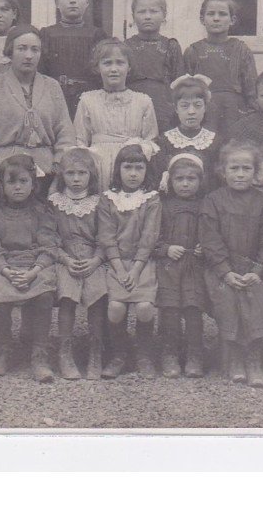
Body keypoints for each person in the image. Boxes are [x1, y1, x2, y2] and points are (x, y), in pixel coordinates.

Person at [200, 140, 263, 387]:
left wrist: (258, 270)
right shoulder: (213, 200)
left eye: (246, 169)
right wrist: (225, 271)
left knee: (258, 295)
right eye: (234, 168)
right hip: (223, 270)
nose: (240, 174)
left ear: (255, 172)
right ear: (223, 171)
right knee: (227, 298)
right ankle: (233, 355)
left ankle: (253, 357)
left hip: (256, 270)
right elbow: (210, 240)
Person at [0, 24, 76, 202]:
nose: (29, 55)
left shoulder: (52, 87)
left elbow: (65, 134)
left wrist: (58, 175)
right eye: (22, 48)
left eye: (35, 49)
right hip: (5, 174)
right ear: (10, 51)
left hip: (46, 174)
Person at [0, 155, 60, 382]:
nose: (17, 187)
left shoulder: (41, 211)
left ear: (33, 184)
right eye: (11, 182)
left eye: (23, 181)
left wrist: (34, 270)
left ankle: (39, 354)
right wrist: (5, 270)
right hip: (5, 266)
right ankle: (3, 349)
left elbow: (49, 245)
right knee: (0, 295)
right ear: (1, 186)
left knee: (44, 295)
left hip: (35, 265)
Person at [96, 142, 162, 379]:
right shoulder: (108, 199)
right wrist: (118, 267)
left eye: (139, 168)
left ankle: (144, 356)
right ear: (118, 170)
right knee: (115, 309)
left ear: (146, 171)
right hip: (116, 263)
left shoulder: (151, 199)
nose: (133, 174)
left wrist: (134, 270)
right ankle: (119, 355)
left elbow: (149, 237)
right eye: (128, 167)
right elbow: (106, 235)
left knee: (145, 309)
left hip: (142, 264)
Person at [48, 148, 108, 380]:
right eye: (70, 173)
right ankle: (65, 353)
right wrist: (65, 259)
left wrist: (96, 260)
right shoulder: (55, 202)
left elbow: (106, 236)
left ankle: (96, 352)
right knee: (67, 296)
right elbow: (49, 238)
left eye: (82, 173)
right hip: (65, 258)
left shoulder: (99, 202)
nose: (75, 179)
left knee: (97, 293)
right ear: (62, 175)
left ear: (91, 175)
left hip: (93, 259)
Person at [73, 38, 159, 193]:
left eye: (120, 63)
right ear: (97, 67)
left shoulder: (143, 101)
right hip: (97, 166)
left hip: (130, 168)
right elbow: (80, 140)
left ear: (129, 67)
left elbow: (150, 140)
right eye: (107, 63)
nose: (114, 69)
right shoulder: (87, 100)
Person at [154, 153, 208, 378]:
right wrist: (166, 249)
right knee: (170, 309)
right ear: (170, 180)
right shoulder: (162, 206)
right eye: (180, 179)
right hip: (169, 267)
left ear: (200, 181)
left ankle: (195, 354)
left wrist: (204, 248)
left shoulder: (206, 205)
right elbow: (151, 239)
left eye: (191, 179)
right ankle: (170, 353)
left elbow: (213, 234)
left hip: (194, 266)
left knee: (193, 308)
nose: (185, 184)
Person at [182, 0, 257, 135]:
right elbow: (186, 91)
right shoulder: (193, 51)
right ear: (202, 19)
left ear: (232, 20)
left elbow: (252, 90)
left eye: (222, 14)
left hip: (235, 113)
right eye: (211, 14)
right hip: (204, 115)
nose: (216, 18)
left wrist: (251, 118)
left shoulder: (241, 50)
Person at [39, 0, 109, 117]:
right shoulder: (46, 34)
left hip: (89, 101)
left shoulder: (97, 35)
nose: (72, 0)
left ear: (87, 1)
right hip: (54, 100)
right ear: (57, 2)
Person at [125, 0, 184, 132]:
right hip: (131, 104)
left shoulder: (171, 46)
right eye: (141, 11)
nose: (147, 16)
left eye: (153, 11)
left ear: (164, 15)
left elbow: (179, 83)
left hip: (163, 106)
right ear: (133, 16)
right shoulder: (125, 47)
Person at [154, 74, 222, 192]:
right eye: (185, 106)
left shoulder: (216, 141)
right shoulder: (164, 141)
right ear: (176, 108)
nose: (191, 111)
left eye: (197, 105)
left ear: (205, 107)